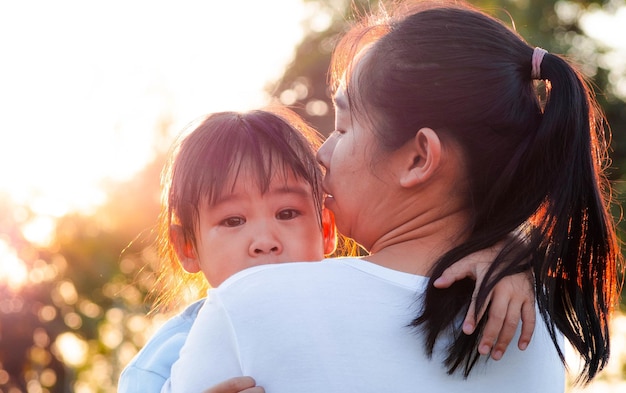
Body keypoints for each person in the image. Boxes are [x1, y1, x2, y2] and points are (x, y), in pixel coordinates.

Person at [165, 1, 622, 392]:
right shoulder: (534, 326)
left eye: (343, 128)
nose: (322, 154)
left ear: (419, 158)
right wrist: (512, 251)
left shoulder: (250, 303)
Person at [118, 107, 532, 393]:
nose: (265, 240)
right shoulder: (167, 355)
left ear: (327, 228)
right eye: (232, 221)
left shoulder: (356, 296)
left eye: (287, 212)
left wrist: (505, 254)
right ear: (187, 246)